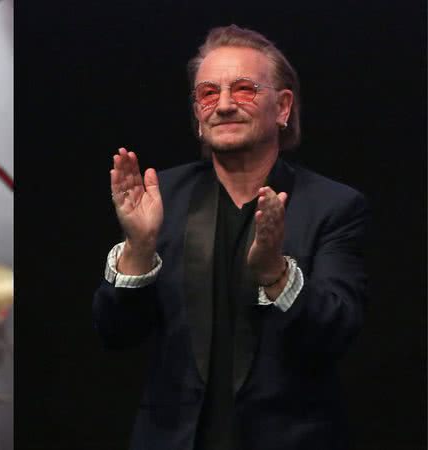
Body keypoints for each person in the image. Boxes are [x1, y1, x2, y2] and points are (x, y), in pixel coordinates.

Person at [93, 25, 368, 450]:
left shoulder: (333, 206)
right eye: (207, 93)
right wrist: (139, 249)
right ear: (197, 113)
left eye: (243, 89)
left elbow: (336, 334)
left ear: (283, 107)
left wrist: (276, 274)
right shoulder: (160, 197)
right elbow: (115, 334)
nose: (222, 105)